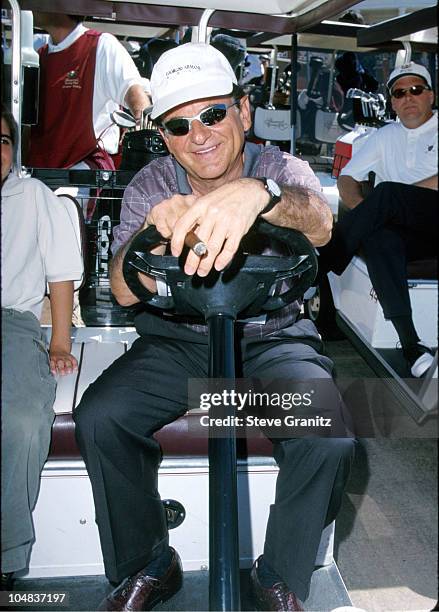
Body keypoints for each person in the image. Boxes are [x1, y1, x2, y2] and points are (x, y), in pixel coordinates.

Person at [73, 43, 355, 611]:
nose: (198, 135)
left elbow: (322, 224)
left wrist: (259, 196)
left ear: (243, 113)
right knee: (100, 417)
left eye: (212, 114)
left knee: (330, 436)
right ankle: (148, 562)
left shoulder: (278, 169)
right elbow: (124, 288)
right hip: (178, 345)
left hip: (270, 340)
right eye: (178, 125)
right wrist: (149, 234)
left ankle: (278, 575)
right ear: (164, 135)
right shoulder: (152, 185)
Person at [1, 105, 83, 588]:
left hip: (12, 323)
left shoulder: (34, 197)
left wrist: (58, 339)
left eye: (4, 140)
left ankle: (7, 553)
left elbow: (60, 272)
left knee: (25, 421)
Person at [319, 61, 437, 377]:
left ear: (431, 96)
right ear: (392, 102)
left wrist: (393, 201)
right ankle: (412, 347)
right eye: (400, 93)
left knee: (385, 194)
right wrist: (364, 212)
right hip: (402, 230)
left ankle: (320, 266)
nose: (408, 98)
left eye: (416, 90)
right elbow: (346, 178)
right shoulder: (385, 136)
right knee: (379, 237)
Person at [26, 13, 151, 217]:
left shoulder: (101, 45)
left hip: (83, 171)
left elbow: (134, 91)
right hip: (41, 174)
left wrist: (147, 141)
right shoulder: (38, 55)